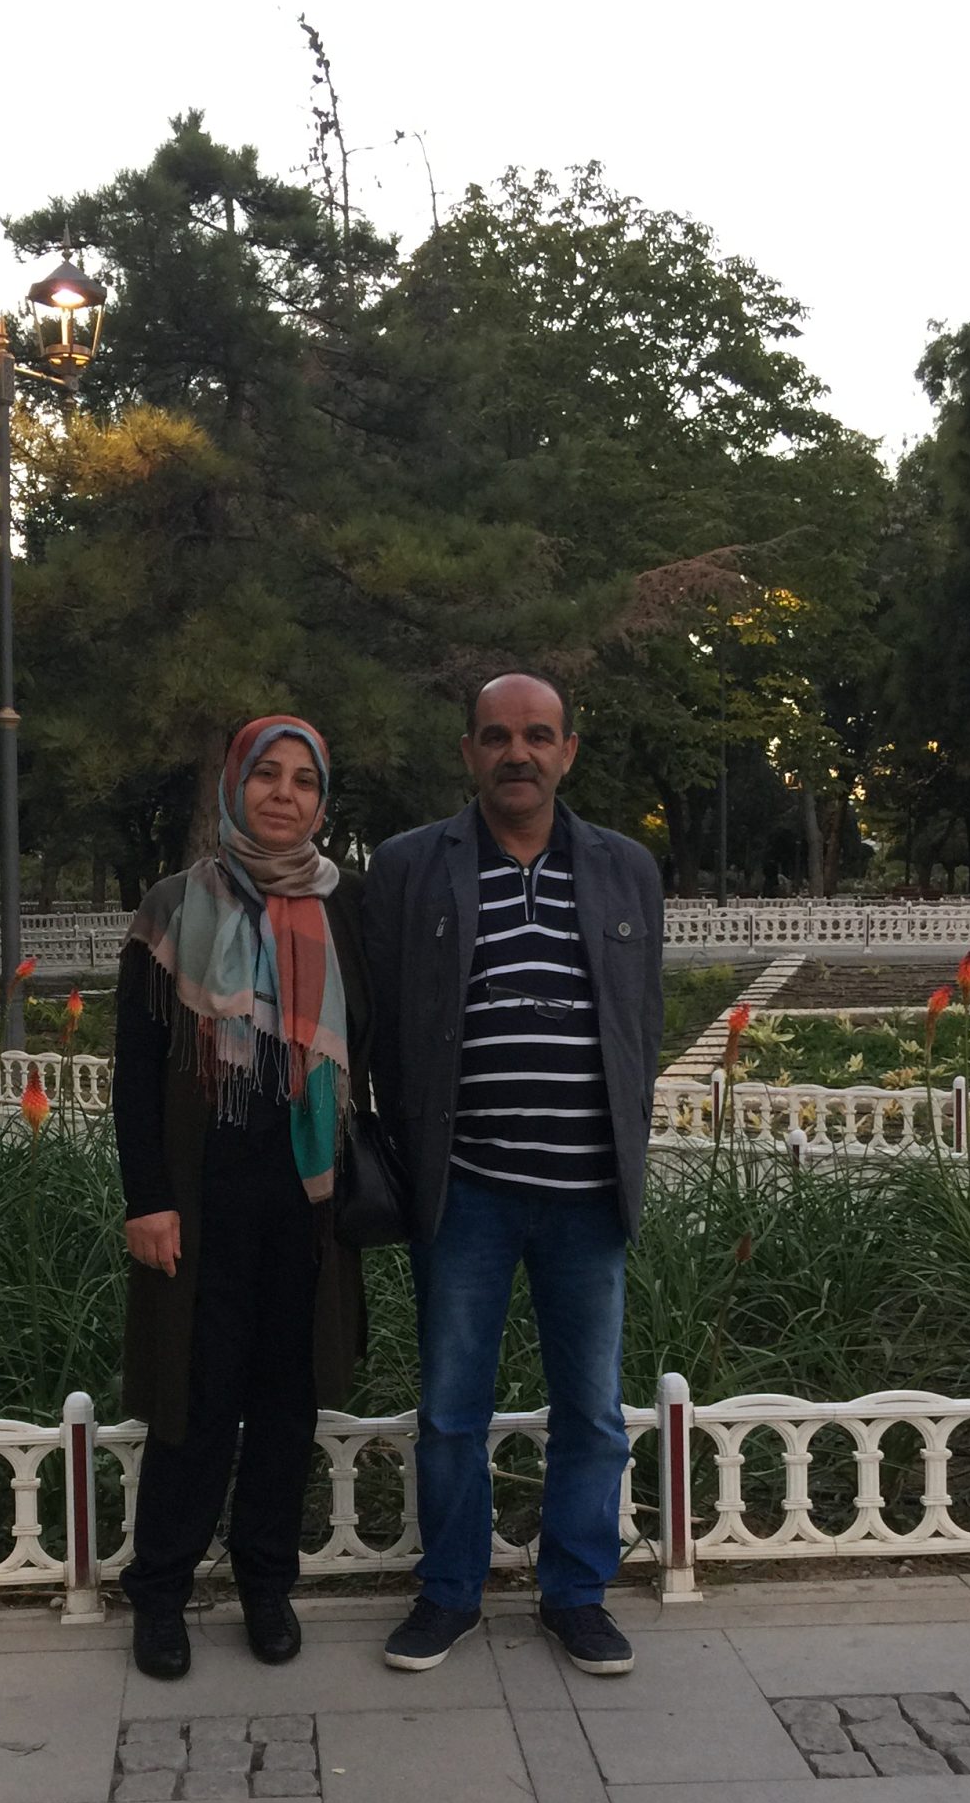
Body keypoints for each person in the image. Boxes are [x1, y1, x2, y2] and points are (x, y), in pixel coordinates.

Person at [362, 670, 664, 1675]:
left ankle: (575, 1594)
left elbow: (639, 1023)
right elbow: (385, 1023)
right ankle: (449, 1591)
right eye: (496, 736)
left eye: (537, 735)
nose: (517, 753)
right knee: (452, 1407)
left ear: (568, 750)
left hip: (588, 1194)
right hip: (467, 1192)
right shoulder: (411, 866)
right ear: (469, 753)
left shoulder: (625, 868)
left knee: (593, 1411)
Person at [113, 716, 371, 1681]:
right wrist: (148, 1198)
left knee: (287, 1403)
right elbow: (137, 1069)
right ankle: (160, 1592)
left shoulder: (347, 907)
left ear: (321, 801)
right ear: (234, 784)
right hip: (202, 1195)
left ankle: (268, 1585)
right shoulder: (174, 905)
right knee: (194, 1398)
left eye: (305, 780)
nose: (284, 795)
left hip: (309, 1202)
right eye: (267, 774)